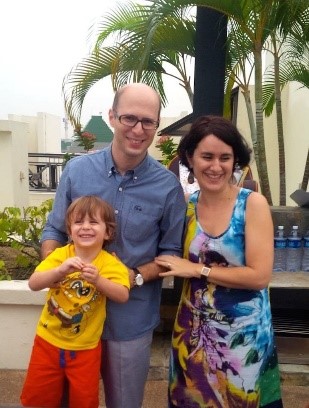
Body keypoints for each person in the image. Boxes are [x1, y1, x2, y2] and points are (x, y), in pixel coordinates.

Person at [40, 83, 187, 408]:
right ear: (112, 117)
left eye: (147, 121)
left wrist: (131, 276)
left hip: (129, 318)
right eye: (129, 118)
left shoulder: (167, 188)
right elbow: (54, 229)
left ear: (157, 124)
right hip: (71, 318)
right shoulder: (77, 172)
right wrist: (54, 264)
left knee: (124, 403)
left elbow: (170, 254)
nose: (138, 129)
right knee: (66, 402)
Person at [155, 115, 283, 407]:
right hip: (192, 338)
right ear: (190, 157)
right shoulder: (184, 208)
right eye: (207, 156)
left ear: (235, 161)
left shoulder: (252, 204)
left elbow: (259, 276)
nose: (216, 166)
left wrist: (198, 269)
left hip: (244, 341)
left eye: (225, 157)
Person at [21, 195, 130, 408]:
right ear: (69, 231)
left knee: (84, 401)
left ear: (107, 232)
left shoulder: (110, 263)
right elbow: (34, 284)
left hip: (86, 348)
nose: (85, 227)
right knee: (38, 399)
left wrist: (98, 280)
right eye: (78, 222)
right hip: (47, 342)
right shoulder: (61, 255)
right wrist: (59, 270)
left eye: (93, 222)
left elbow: (122, 295)